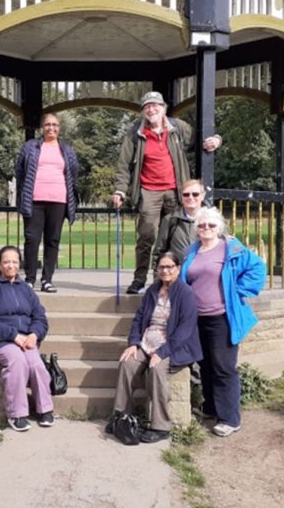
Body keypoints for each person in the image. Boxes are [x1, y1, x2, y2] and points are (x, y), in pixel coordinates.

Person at [112, 91, 221, 294]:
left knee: (174, 237)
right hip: (149, 191)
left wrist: (216, 139)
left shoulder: (178, 128)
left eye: (155, 106)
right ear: (143, 111)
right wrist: (120, 190)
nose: (151, 109)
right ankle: (139, 278)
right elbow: (123, 164)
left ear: (164, 108)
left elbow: (200, 139)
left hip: (175, 190)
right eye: (147, 107)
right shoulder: (135, 133)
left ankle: (170, 278)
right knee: (146, 236)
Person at [181, 206, 266, 437]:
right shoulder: (191, 251)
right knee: (205, 365)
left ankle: (230, 418)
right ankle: (210, 408)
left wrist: (238, 289)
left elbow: (258, 268)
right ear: (196, 229)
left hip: (221, 318)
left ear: (219, 227)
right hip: (197, 318)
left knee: (223, 367)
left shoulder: (231, 248)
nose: (206, 228)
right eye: (201, 225)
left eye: (211, 225)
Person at [108, 252, 203, 443]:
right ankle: (121, 416)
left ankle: (161, 426)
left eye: (170, 267)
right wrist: (134, 343)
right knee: (127, 364)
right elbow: (138, 319)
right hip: (147, 341)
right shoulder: (153, 290)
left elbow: (184, 330)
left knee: (156, 370)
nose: (165, 270)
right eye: (161, 267)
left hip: (173, 346)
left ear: (178, 269)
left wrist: (162, 353)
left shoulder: (185, 293)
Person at [0, 245, 54, 432]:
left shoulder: (26, 290)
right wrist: (13, 336)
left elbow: (40, 317)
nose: (10, 266)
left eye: (14, 262)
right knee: (17, 361)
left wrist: (34, 334)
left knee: (36, 364)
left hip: (26, 338)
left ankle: (45, 408)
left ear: (19, 265)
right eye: (6, 262)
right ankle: (16, 413)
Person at [15, 112, 79, 293]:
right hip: (34, 200)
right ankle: (29, 279)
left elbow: (73, 173)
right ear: (42, 128)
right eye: (48, 125)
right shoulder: (31, 147)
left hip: (58, 200)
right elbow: (20, 171)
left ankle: (47, 279)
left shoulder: (66, 150)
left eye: (55, 125)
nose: (51, 128)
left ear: (59, 128)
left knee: (53, 240)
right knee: (32, 239)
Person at [152, 178, 206, 271]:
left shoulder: (214, 221)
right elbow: (159, 252)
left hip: (204, 277)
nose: (190, 197)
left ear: (203, 196)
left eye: (195, 194)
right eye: (186, 194)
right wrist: (160, 282)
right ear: (181, 197)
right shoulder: (170, 220)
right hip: (177, 277)